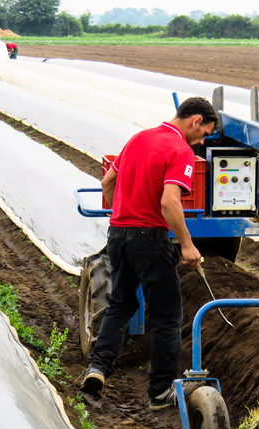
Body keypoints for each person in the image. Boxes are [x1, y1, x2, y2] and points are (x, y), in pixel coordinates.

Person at [80, 97, 218, 411]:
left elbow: (107, 181)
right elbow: (169, 203)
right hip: (149, 238)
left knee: (121, 303)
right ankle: (159, 392)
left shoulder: (138, 138)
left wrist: (122, 215)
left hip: (118, 234)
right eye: (205, 132)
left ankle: (98, 369)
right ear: (195, 121)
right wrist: (187, 244)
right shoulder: (180, 151)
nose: (203, 140)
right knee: (169, 316)